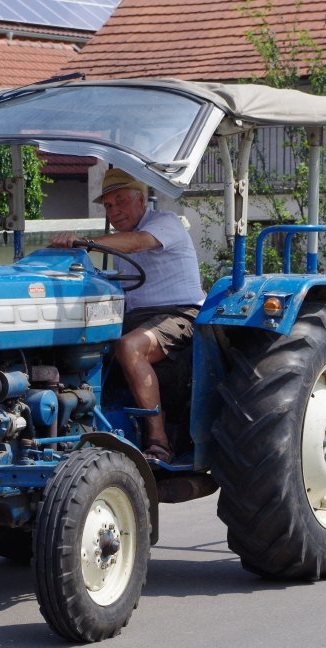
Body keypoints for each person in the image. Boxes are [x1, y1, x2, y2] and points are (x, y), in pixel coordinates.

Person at [50, 168, 205, 463]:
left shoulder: (164, 223)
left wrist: (82, 242)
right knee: (77, 341)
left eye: (120, 201)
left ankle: (158, 441)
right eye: (108, 206)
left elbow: (138, 242)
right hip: (135, 317)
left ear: (141, 199)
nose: (114, 211)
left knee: (129, 346)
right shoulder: (119, 239)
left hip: (180, 314)